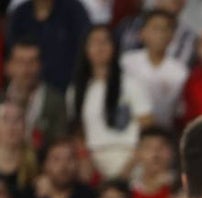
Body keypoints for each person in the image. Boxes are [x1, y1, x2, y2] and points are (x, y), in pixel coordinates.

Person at [70, 25, 154, 180]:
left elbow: (148, 129)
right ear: (85, 49)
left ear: (114, 47)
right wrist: (86, 160)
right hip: (93, 161)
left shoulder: (132, 84)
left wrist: (129, 166)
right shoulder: (76, 91)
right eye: (94, 42)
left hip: (130, 158)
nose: (100, 47)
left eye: (105, 42)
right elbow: (78, 133)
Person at [120, 8, 188, 129]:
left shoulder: (180, 71)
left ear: (171, 37)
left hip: (163, 132)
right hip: (129, 130)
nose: (159, 34)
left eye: (164, 29)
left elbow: (179, 110)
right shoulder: (126, 63)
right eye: (155, 28)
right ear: (142, 33)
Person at [4, 37, 69, 150]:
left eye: (32, 62)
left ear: (40, 65)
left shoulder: (56, 102)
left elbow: (59, 144)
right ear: (9, 67)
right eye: (20, 62)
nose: (26, 69)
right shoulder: (1, 99)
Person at [129, 127, 179, 198]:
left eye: (161, 148)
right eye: (148, 148)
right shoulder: (128, 194)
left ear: (172, 152)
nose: (155, 154)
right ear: (137, 153)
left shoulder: (184, 189)